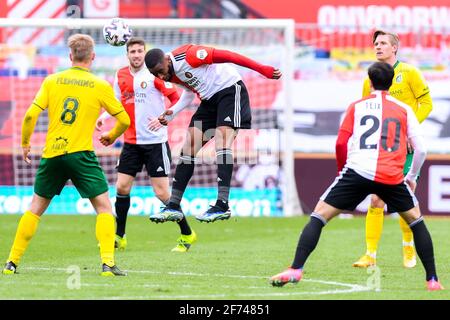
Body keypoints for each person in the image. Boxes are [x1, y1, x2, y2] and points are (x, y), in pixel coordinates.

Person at [270, 62, 443, 291]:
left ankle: (296, 269)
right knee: (417, 222)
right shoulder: (404, 109)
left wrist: (343, 170)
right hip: (391, 176)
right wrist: (411, 176)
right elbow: (420, 149)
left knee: (319, 216)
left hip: (357, 171)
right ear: (392, 83)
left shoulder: (356, 106)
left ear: (369, 82)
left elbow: (341, 142)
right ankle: (432, 280)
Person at [2, 34, 130, 276]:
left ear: (70, 57)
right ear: (92, 57)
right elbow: (124, 119)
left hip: (53, 154)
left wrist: (26, 143)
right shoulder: (100, 85)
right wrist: (111, 136)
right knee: (104, 208)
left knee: (35, 208)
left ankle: (12, 262)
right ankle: (107, 264)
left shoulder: (52, 81)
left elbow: (30, 115)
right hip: (81, 154)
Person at [144, 44, 281, 223]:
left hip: (230, 90)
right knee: (188, 148)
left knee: (222, 144)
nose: (161, 76)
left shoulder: (189, 56)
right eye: (156, 74)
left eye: (161, 71)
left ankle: (222, 204)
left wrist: (261, 69)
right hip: (208, 100)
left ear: (167, 60)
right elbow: (188, 92)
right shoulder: (170, 73)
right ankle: (174, 206)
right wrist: (173, 112)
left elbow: (229, 55)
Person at [96, 37, 196, 253]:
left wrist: (163, 117)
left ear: (144, 53)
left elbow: (175, 98)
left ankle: (187, 233)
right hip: (131, 142)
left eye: (140, 51)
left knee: (162, 193)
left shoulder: (155, 75)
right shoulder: (120, 75)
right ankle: (119, 236)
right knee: (121, 187)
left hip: (155, 142)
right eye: (133, 51)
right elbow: (116, 102)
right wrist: (104, 117)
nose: (137, 55)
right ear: (127, 54)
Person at [353, 30, 433, 269]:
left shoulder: (409, 72)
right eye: (376, 43)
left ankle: (408, 246)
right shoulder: (371, 77)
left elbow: (426, 103)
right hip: (383, 147)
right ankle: (370, 254)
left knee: (406, 197)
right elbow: (366, 108)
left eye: (383, 43)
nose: (378, 46)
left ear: (394, 48)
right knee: (376, 199)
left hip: (406, 146)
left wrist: (410, 131)